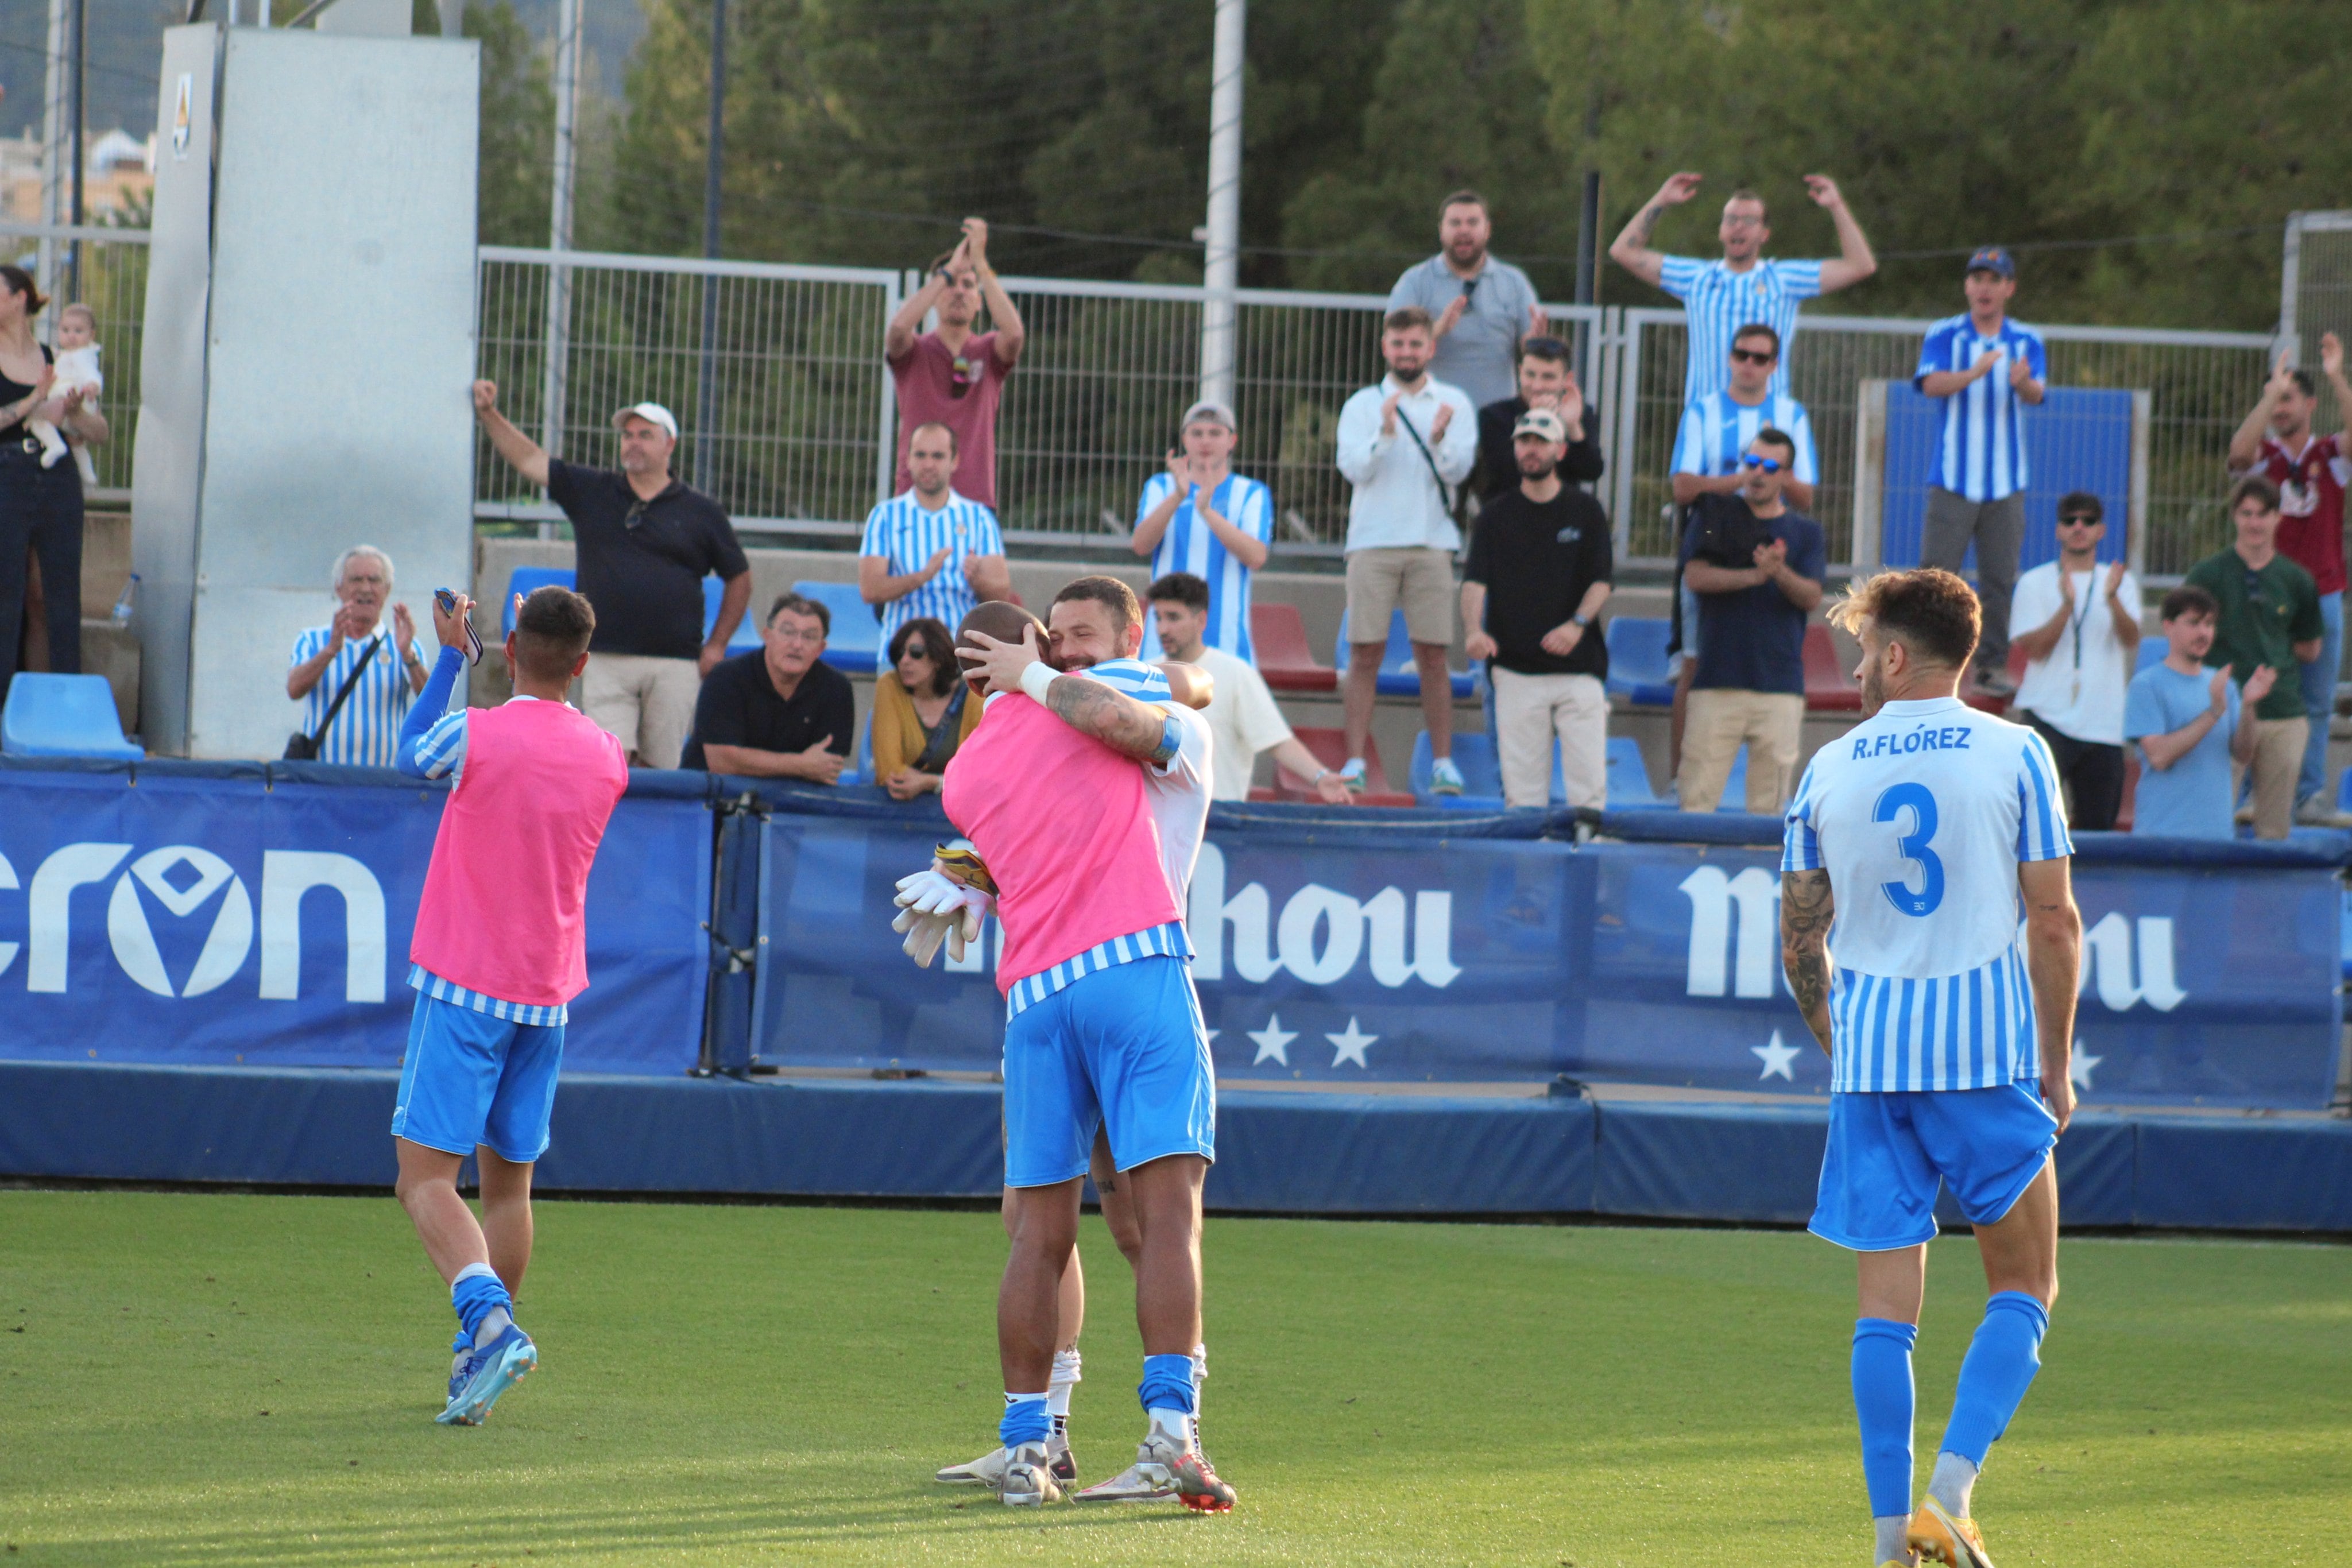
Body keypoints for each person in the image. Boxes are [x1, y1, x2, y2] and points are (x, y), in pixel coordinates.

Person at [1781, 566, 2079, 1568]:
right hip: (1984, 1058)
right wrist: (2055, 1062)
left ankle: (1883, 1543)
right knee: (2026, 1285)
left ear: (1898, 655)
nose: (1861, 667)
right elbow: (2054, 919)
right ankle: (1948, 1494)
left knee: (1883, 1312)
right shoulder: (2016, 752)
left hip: (1872, 1069)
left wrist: (1847, 1043)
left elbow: (1797, 941)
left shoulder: (1826, 770)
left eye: (1867, 650)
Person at [927, 582, 1233, 1511]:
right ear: (1027, 649)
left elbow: (1016, 818)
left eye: (1076, 640)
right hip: (1134, 964)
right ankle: (1170, 1436)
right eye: (1050, 641)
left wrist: (975, 878)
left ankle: (1029, 1444)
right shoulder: (1097, 692)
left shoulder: (962, 774)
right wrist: (1045, 676)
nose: (1065, 652)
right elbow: (1167, 700)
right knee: (1165, 1217)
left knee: (1039, 1229)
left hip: (1035, 997)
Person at [389, 584, 629, 1427]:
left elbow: (413, 750)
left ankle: (488, 1324)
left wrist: (456, 657)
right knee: (508, 1187)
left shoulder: (480, 730)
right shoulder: (608, 753)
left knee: (422, 1178)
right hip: (548, 991)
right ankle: (477, 1360)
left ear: (515, 649)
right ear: (586, 661)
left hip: (465, 980)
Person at [472, 383, 751, 769]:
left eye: (645, 435)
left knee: (664, 770)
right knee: (610, 764)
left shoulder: (702, 511)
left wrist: (717, 644)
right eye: (627, 435)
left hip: (676, 662)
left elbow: (740, 577)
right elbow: (531, 462)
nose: (633, 443)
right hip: (605, 655)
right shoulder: (593, 490)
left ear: (670, 445)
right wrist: (489, 413)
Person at [1666, 322, 1821, 781]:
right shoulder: (1702, 410)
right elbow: (1682, 487)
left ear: (1774, 365)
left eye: (1760, 357)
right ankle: (1679, 780)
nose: (1749, 364)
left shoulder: (1791, 413)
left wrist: (1768, 469)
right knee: (1693, 663)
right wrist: (1747, 474)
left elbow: (1806, 495)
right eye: (1742, 355)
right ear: (1730, 358)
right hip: (1714, 535)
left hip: (1774, 536)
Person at [1334, 307, 1478, 794]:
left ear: (1430, 348)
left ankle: (1443, 762)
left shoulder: (1454, 402)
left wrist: (1437, 438)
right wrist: (1386, 433)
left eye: (1416, 344)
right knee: (1364, 653)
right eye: (1399, 345)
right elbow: (1354, 469)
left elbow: (1459, 471)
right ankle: (1354, 761)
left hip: (1432, 543)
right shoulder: (1361, 405)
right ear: (1385, 347)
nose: (1407, 353)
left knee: (1434, 656)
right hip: (1372, 543)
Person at [1608, 173, 1877, 404]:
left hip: (1767, 425)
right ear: (1721, 230)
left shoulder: (1783, 278)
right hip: (1705, 421)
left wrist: (1836, 206)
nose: (1738, 226)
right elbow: (1624, 251)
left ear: (1764, 234)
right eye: (1731, 219)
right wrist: (1662, 200)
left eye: (1749, 221)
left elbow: (1860, 265)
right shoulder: (1696, 278)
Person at [2227, 335, 2352, 824]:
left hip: (2322, 592)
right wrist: (2266, 394)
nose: (2280, 408)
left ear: (2310, 403)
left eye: (2287, 398)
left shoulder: (2329, 454)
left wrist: (2338, 375)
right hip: (2270, 594)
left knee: (2318, 701)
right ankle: (2253, 795)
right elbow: (2239, 455)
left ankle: (2308, 795)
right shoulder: (2266, 457)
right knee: (2265, 693)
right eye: (2273, 399)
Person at [1462, 409, 1614, 809]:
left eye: (1541, 441)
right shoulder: (1494, 516)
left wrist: (1576, 625)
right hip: (1515, 670)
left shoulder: (1587, 511)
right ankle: (1528, 871)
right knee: (1523, 799)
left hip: (1579, 670)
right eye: (1524, 441)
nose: (1531, 449)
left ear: (1561, 450)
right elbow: (1475, 581)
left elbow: (1601, 580)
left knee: (1589, 795)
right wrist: (1473, 630)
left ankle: (1587, 864)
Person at [1916, 247, 2047, 697]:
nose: (1984, 287)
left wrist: (2021, 383)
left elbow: (2036, 394)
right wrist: (1973, 373)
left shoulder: (2027, 338)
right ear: (1968, 287)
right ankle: (1927, 662)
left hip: (2006, 481)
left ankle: (1990, 666)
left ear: (2009, 288)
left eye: (1995, 279)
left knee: (1998, 579)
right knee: (1936, 576)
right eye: (1978, 279)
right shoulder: (1944, 334)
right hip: (1953, 476)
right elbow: (1931, 384)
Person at [1677, 430, 1825, 813]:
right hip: (1716, 682)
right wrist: (1754, 577)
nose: (1758, 473)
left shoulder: (1805, 532)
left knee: (1769, 812)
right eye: (1752, 463)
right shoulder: (1714, 515)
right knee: (1697, 803)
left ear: (1787, 476)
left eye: (1771, 466)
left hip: (1779, 687)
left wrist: (1779, 573)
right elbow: (1695, 577)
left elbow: (1812, 596)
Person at [2182, 476, 2324, 840]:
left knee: (2274, 832)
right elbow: (2183, 639)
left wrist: (2271, 653)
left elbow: (2311, 648)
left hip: (2283, 714)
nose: (2254, 523)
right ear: (2234, 518)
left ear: (2278, 518)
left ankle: (2268, 900)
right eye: (2246, 514)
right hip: (2220, 714)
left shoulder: (2298, 580)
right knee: (2208, 828)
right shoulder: (2207, 575)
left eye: (2263, 514)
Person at [1147, 571, 1349, 803]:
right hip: (1156, 820)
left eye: (1173, 618)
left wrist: (1320, 777)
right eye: (1158, 618)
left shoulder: (1236, 674)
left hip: (1219, 819)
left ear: (1201, 620)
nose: (1163, 629)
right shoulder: (1144, 674)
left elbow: (1276, 739)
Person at [0, 264, 106, 707]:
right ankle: (7, 707)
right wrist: (32, 399)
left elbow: (97, 431)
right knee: (8, 592)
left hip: (57, 476)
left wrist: (76, 410)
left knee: (55, 594)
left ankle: (60, 705)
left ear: (20, 297)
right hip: (8, 473)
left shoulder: (58, 355)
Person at [2005, 493, 2141, 830]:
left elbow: (2131, 639)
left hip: (2103, 725)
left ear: (2102, 530)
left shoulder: (2120, 582)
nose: (2079, 527)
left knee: (2099, 831)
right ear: (2058, 531)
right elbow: (2034, 650)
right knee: (2031, 826)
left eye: (2089, 520)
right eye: (2070, 521)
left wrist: (2112, 600)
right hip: (2046, 718)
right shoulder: (2034, 582)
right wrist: (2066, 608)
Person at [885, 218, 1027, 509]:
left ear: (979, 301)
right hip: (915, 500)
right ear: (936, 296)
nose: (959, 291)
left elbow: (1014, 335)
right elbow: (898, 331)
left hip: (973, 501)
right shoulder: (916, 352)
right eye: (951, 285)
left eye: (968, 285)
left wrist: (980, 262)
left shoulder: (988, 351)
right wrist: (946, 273)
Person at [1131, 400, 1273, 662]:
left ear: (1232, 441)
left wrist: (1207, 511)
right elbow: (1141, 544)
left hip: (1228, 646)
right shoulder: (1161, 487)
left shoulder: (1251, 492)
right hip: (1162, 647)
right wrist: (1178, 496)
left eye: (1215, 433)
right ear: (1185, 439)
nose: (1205, 442)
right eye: (1197, 433)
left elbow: (1256, 556)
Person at [2125, 585, 2270, 840]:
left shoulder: (2224, 685)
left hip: (2217, 836)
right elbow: (2159, 756)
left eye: (2209, 624)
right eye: (2193, 623)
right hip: (2161, 837)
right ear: (2169, 626)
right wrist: (2213, 713)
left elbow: (2243, 754)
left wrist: (2249, 707)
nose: (2204, 633)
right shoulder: (2146, 685)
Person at [1385, 189, 1546, 410]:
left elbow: (1532, 350)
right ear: (1441, 230)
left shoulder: (1514, 282)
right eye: (1455, 223)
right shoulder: (1415, 281)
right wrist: (1437, 329)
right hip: (1432, 413)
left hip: (1497, 416)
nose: (1464, 230)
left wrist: (1536, 341)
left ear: (1487, 230)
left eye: (1472, 222)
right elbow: (1395, 342)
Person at [858, 420, 1010, 651]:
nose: (928, 464)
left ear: (955, 461)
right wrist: (922, 576)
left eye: (938, 456)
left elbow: (1001, 593)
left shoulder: (979, 518)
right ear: (908, 460)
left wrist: (978, 580)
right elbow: (870, 590)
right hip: (901, 654)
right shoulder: (884, 516)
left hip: (960, 652)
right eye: (920, 455)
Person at [681, 594, 856, 780]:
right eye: (788, 632)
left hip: (793, 801)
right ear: (767, 636)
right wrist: (800, 764)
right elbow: (722, 762)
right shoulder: (726, 677)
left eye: (809, 637)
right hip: (711, 796)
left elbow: (826, 768)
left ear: (821, 649)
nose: (797, 645)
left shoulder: (837, 689)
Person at [285, 545, 432, 766]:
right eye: (356, 580)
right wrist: (330, 651)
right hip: (323, 780)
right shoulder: (312, 640)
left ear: (387, 589)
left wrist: (408, 655)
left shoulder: (404, 643)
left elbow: (432, 703)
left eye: (374, 580)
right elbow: (294, 689)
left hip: (382, 782)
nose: (366, 589)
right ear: (338, 588)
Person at [1476, 336, 1603, 501]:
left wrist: (1572, 427)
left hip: (1562, 513)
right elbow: (1505, 474)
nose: (1537, 386)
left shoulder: (1580, 413)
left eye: (1548, 377)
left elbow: (1591, 471)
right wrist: (1534, 422)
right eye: (1530, 375)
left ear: (1567, 380)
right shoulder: (1494, 416)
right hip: (1507, 515)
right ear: (1520, 372)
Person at [873, 616, 981, 800]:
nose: (904, 661)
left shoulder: (974, 693)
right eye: (900, 653)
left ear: (938, 658)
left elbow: (983, 774)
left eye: (916, 652)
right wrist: (949, 782)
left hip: (960, 813)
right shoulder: (890, 686)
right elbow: (890, 773)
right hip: (901, 813)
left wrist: (932, 782)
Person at [29, 302, 100, 485]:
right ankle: (88, 474)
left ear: (91, 335)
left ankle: (55, 446)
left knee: (37, 420)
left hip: (72, 398)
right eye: (66, 330)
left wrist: (93, 386)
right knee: (76, 440)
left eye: (78, 331)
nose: (71, 336)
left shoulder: (82, 355)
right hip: (75, 402)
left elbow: (92, 374)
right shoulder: (68, 355)